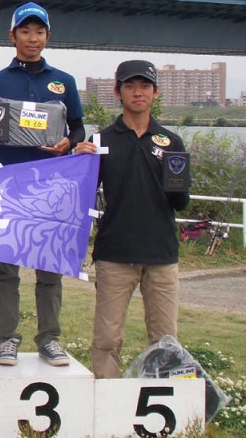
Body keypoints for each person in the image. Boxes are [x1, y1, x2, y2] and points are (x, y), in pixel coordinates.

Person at [0, 1, 85, 368]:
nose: (32, 38)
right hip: (9, 183)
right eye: (25, 31)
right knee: (6, 268)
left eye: (39, 31)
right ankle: (7, 338)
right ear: (12, 36)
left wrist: (68, 143)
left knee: (49, 266)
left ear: (47, 36)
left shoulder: (64, 82)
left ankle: (49, 339)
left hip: (53, 186)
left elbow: (78, 128)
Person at [75, 60, 191, 378]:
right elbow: (80, 195)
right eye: (130, 86)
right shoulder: (100, 142)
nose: (137, 92)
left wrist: (176, 177)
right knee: (107, 340)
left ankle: (162, 405)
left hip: (161, 254)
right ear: (117, 92)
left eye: (144, 86)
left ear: (156, 93)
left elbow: (181, 202)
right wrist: (77, 162)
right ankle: (108, 405)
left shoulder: (171, 143)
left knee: (165, 341)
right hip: (115, 253)